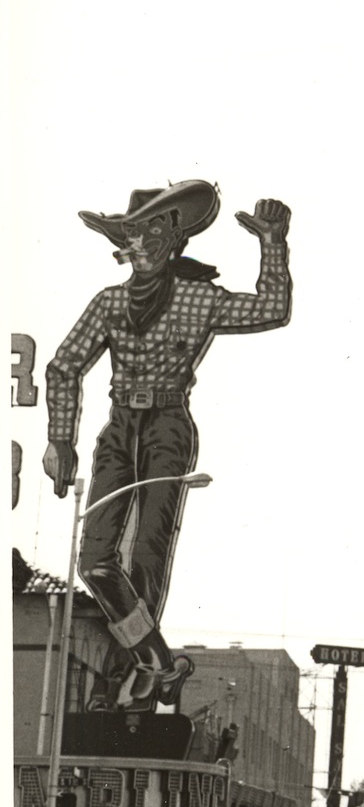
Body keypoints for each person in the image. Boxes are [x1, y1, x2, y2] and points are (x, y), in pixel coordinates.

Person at [42, 184, 293, 709]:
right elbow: (64, 365)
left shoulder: (197, 299)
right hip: (117, 428)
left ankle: (131, 680)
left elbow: (271, 308)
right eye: (136, 231)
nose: (145, 241)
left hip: (167, 426)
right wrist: (59, 441)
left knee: (146, 560)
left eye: (157, 229)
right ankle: (156, 661)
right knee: (95, 560)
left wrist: (273, 244)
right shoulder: (109, 302)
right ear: (124, 241)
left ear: (175, 239)